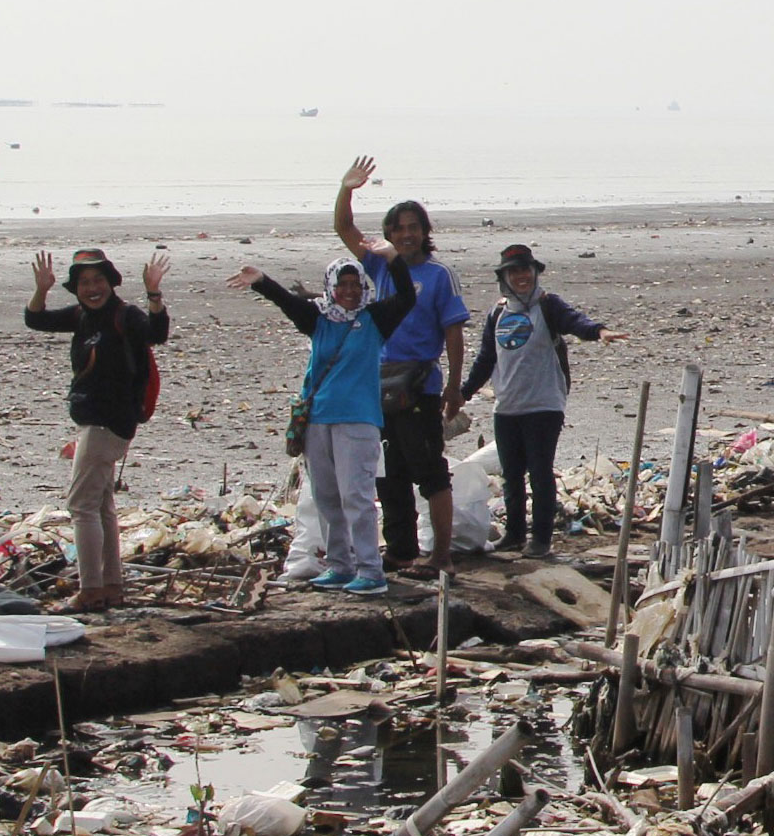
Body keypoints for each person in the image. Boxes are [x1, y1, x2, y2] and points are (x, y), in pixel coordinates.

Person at [232, 255, 416, 595]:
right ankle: (340, 565)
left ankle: (370, 570)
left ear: (363, 287)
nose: (348, 291)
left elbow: (407, 297)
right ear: (331, 287)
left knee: (356, 497)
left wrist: (393, 258)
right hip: (318, 419)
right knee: (327, 497)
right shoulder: (318, 319)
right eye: (341, 285)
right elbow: (286, 302)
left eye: (354, 285)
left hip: (358, 420)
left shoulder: (375, 319)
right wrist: (260, 281)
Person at [331, 157, 469, 576]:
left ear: (425, 233)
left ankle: (441, 556)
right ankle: (401, 551)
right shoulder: (378, 265)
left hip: (420, 383)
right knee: (386, 474)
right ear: (389, 234)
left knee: (429, 472)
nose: (407, 234)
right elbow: (344, 229)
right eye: (399, 228)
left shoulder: (438, 275)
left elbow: (453, 333)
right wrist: (346, 189)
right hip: (376, 384)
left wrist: (454, 387)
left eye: (414, 227)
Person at [25, 247, 173, 613]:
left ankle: (90, 589)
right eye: (84, 283)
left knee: (81, 506)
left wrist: (154, 293)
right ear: (76, 289)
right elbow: (36, 320)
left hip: (109, 423)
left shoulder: (125, 315)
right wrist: (41, 290)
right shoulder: (81, 317)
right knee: (102, 505)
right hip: (95, 422)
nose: (92, 288)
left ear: (111, 282)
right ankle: (111, 587)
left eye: (98, 281)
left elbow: (158, 331)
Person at [461, 243, 619, 558]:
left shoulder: (548, 305)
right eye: (514, 271)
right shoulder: (498, 313)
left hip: (544, 405)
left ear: (535, 272)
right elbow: (485, 360)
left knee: (540, 472)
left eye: (526, 270)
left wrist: (599, 332)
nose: (521, 276)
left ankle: (541, 540)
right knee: (511, 475)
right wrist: (461, 394)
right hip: (506, 406)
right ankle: (515, 535)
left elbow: (576, 322)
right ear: (504, 277)